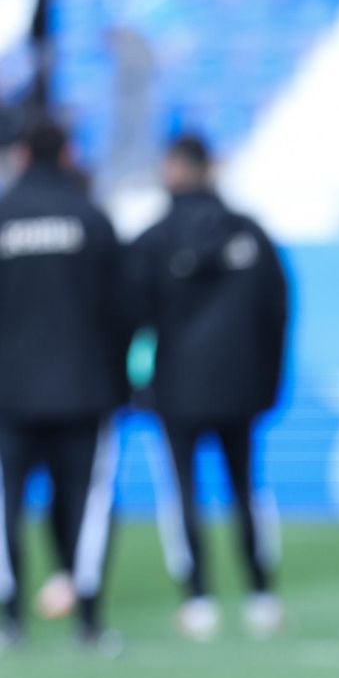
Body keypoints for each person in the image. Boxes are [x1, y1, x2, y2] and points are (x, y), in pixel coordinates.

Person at [129, 134, 289, 640]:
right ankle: (262, 592)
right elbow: (278, 313)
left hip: (176, 388)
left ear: (175, 167)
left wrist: (139, 384)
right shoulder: (250, 235)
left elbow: (132, 320)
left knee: (183, 494)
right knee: (246, 489)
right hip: (241, 387)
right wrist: (267, 382)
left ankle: (198, 597)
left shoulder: (153, 239)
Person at [0, 120, 130, 654]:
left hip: (8, 392)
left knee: (5, 504)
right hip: (85, 389)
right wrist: (120, 381)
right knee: (86, 501)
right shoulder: (92, 218)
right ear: (70, 154)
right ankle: (90, 619)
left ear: (22, 155)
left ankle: (9, 621)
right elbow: (123, 309)